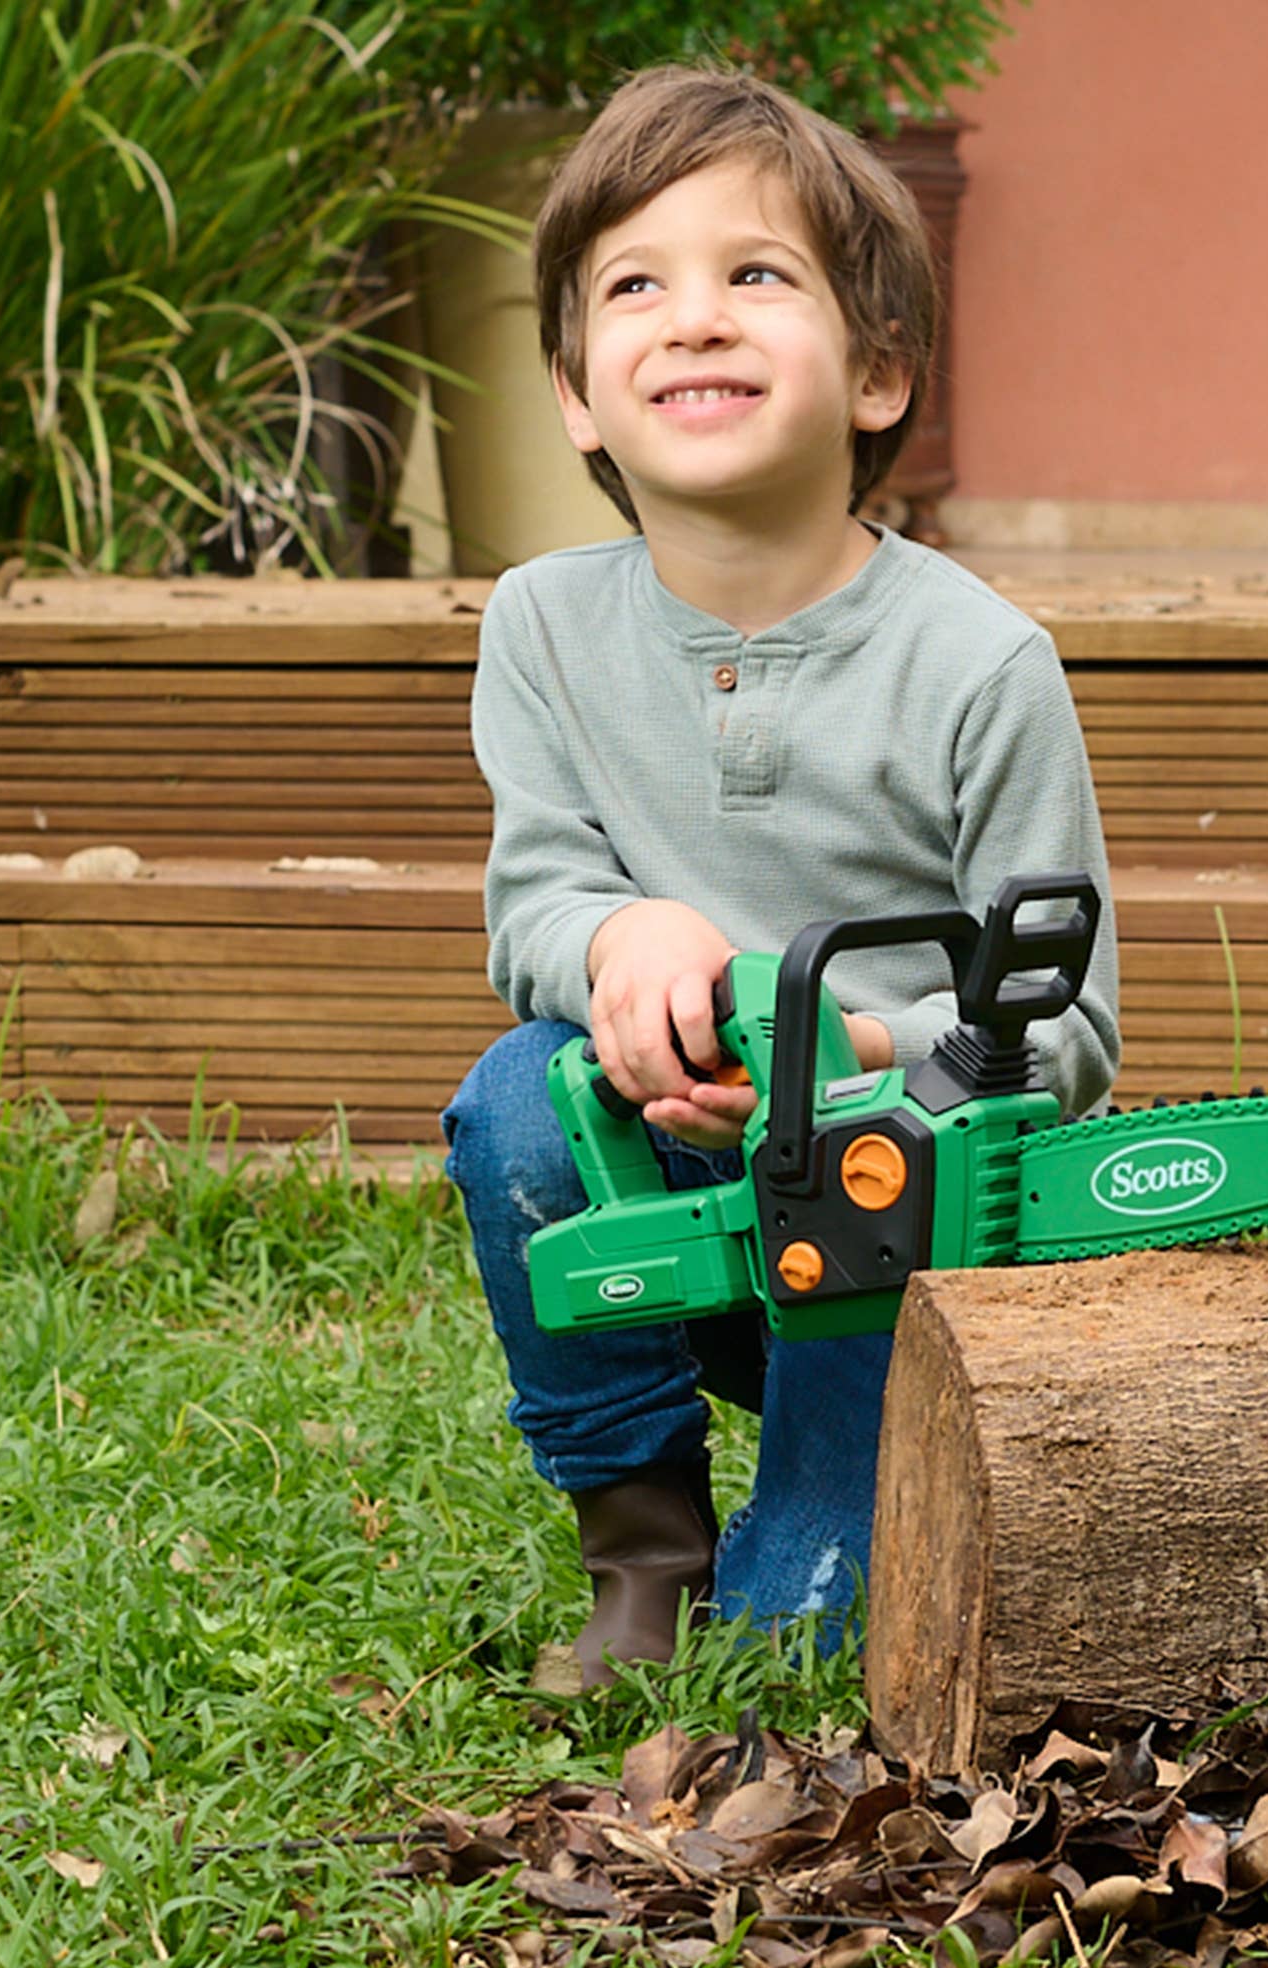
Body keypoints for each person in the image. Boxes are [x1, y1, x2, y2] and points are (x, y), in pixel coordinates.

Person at [441, 65, 1120, 1685]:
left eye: (756, 276)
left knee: (801, 1646)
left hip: (900, 1219)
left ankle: (808, 1539)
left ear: (879, 371)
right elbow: (532, 903)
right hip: (672, 1169)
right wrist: (624, 939)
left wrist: (861, 1054)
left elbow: (1071, 1030)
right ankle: (643, 1553)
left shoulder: (980, 665)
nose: (695, 320)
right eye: (636, 287)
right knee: (518, 1101)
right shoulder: (540, 628)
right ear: (576, 395)